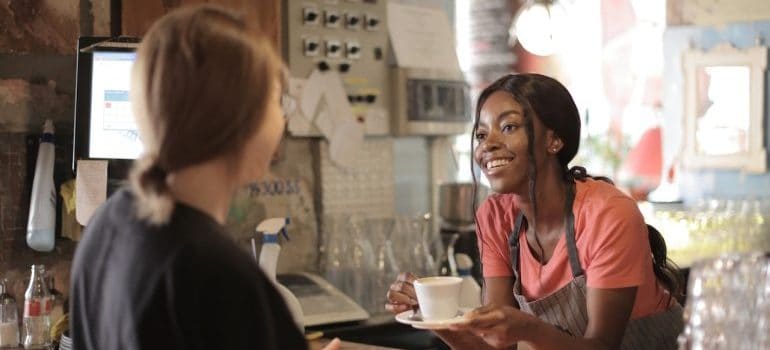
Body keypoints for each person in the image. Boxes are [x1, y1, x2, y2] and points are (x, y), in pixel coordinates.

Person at [69, 5, 340, 350]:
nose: (282, 120)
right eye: (276, 101)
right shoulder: (222, 276)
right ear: (236, 120)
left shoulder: (107, 225)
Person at [386, 73, 684, 350]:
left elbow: (603, 346)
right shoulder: (495, 217)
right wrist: (434, 318)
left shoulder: (607, 213)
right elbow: (497, 348)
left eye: (508, 127)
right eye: (480, 134)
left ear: (554, 141)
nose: (488, 145)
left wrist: (530, 329)